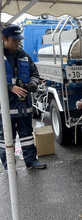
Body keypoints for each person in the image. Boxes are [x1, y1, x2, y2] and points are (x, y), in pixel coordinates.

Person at [0, 25, 47, 170]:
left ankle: (31, 161)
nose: (17, 43)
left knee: (27, 136)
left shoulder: (25, 55)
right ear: (4, 38)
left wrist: (33, 83)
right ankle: (9, 165)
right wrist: (10, 87)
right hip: (6, 105)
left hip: (24, 105)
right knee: (6, 138)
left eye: (19, 40)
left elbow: (34, 73)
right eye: (14, 40)